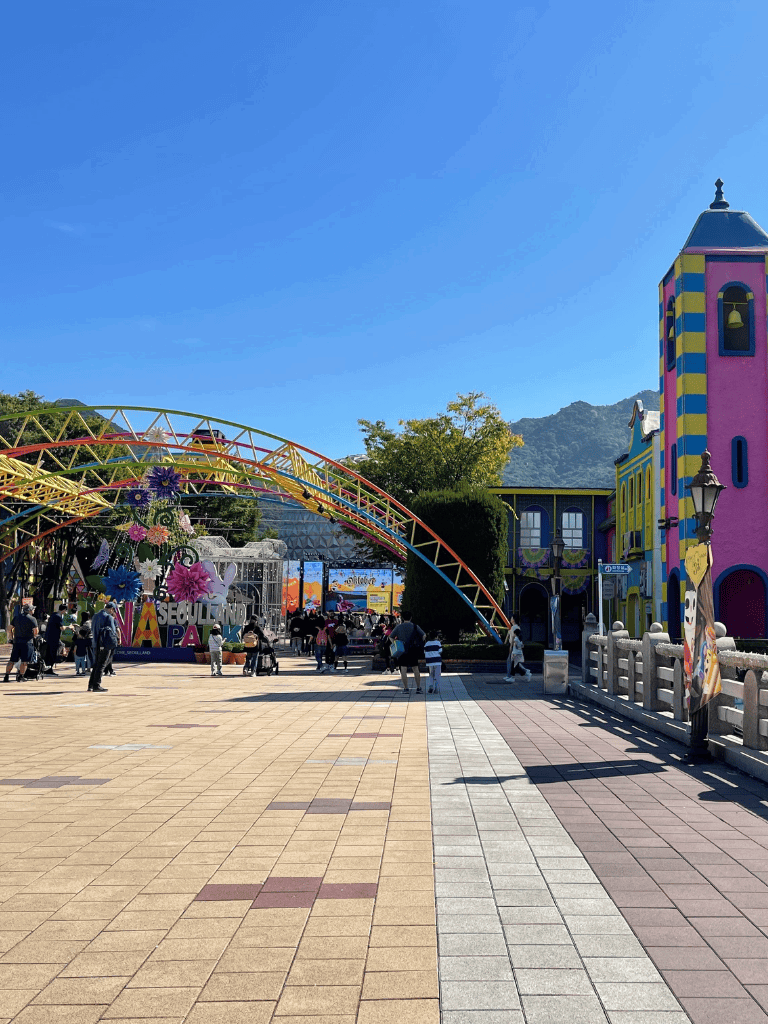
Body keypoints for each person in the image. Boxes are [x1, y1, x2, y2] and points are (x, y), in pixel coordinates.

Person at [388, 611, 425, 694]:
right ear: (411, 617)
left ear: (402, 618)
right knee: (415, 669)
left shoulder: (399, 627)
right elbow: (424, 635)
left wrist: (396, 643)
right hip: (413, 650)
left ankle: (406, 688)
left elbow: (391, 637)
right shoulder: (415, 626)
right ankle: (418, 688)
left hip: (402, 650)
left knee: (403, 669)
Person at [3, 601, 38, 683]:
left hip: (17, 642)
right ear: (29, 610)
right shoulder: (32, 619)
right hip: (27, 642)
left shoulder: (16, 617)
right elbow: (36, 631)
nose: (34, 610)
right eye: (33, 609)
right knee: (24, 661)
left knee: (12, 660)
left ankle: (6, 675)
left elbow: (9, 628)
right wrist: (34, 637)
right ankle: (21, 676)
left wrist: (11, 637)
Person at [88, 605, 117, 692]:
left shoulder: (95, 616)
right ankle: (97, 685)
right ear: (111, 609)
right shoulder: (109, 617)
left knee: (97, 664)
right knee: (102, 664)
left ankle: (91, 685)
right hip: (104, 643)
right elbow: (112, 632)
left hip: (95, 643)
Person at [43, 604, 66, 675]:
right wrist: (69, 627)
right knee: (53, 654)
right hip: (54, 638)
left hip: (48, 637)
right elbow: (61, 628)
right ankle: (49, 669)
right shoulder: (58, 617)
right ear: (64, 610)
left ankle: (46, 668)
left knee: (48, 653)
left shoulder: (53, 615)